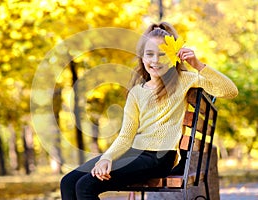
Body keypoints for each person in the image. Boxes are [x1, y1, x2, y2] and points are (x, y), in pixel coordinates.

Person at [60, 22, 238, 200]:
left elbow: (229, 91)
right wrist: (106, 158)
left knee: (85, 186)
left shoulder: (184, 80)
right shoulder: (137, 92)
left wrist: (197, 64)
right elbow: (125, 136)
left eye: (162, 54)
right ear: (142, 57)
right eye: (150, 54)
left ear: (173, 56)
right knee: (68, 182)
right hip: (133, 152)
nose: (155, 60)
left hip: (159, 157)